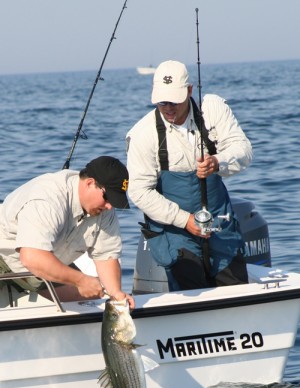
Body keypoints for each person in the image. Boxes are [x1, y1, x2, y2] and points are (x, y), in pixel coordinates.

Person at [126, 60, 252, 291]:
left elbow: (243, 151)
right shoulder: (143, 135)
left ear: (190, 90)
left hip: (219, 221)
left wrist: (217, 161)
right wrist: (185, 220)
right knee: (190, 286)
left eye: (175, 100)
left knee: (236, 289)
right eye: (162, 102)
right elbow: (139, 192)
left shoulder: (212, 108)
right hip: (174, 229)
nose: (169, 108)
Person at [0, 156, 134, 308]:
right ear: (90, 183)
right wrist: (81, 280)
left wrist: (116, 293)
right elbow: (31, 257)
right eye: (108, 197)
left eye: (115, 201)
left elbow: (106, 256)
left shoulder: (104, 209)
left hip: (43, 263)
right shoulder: (48, 199)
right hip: (4, 256)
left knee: (88, 299)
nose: (110, 206)